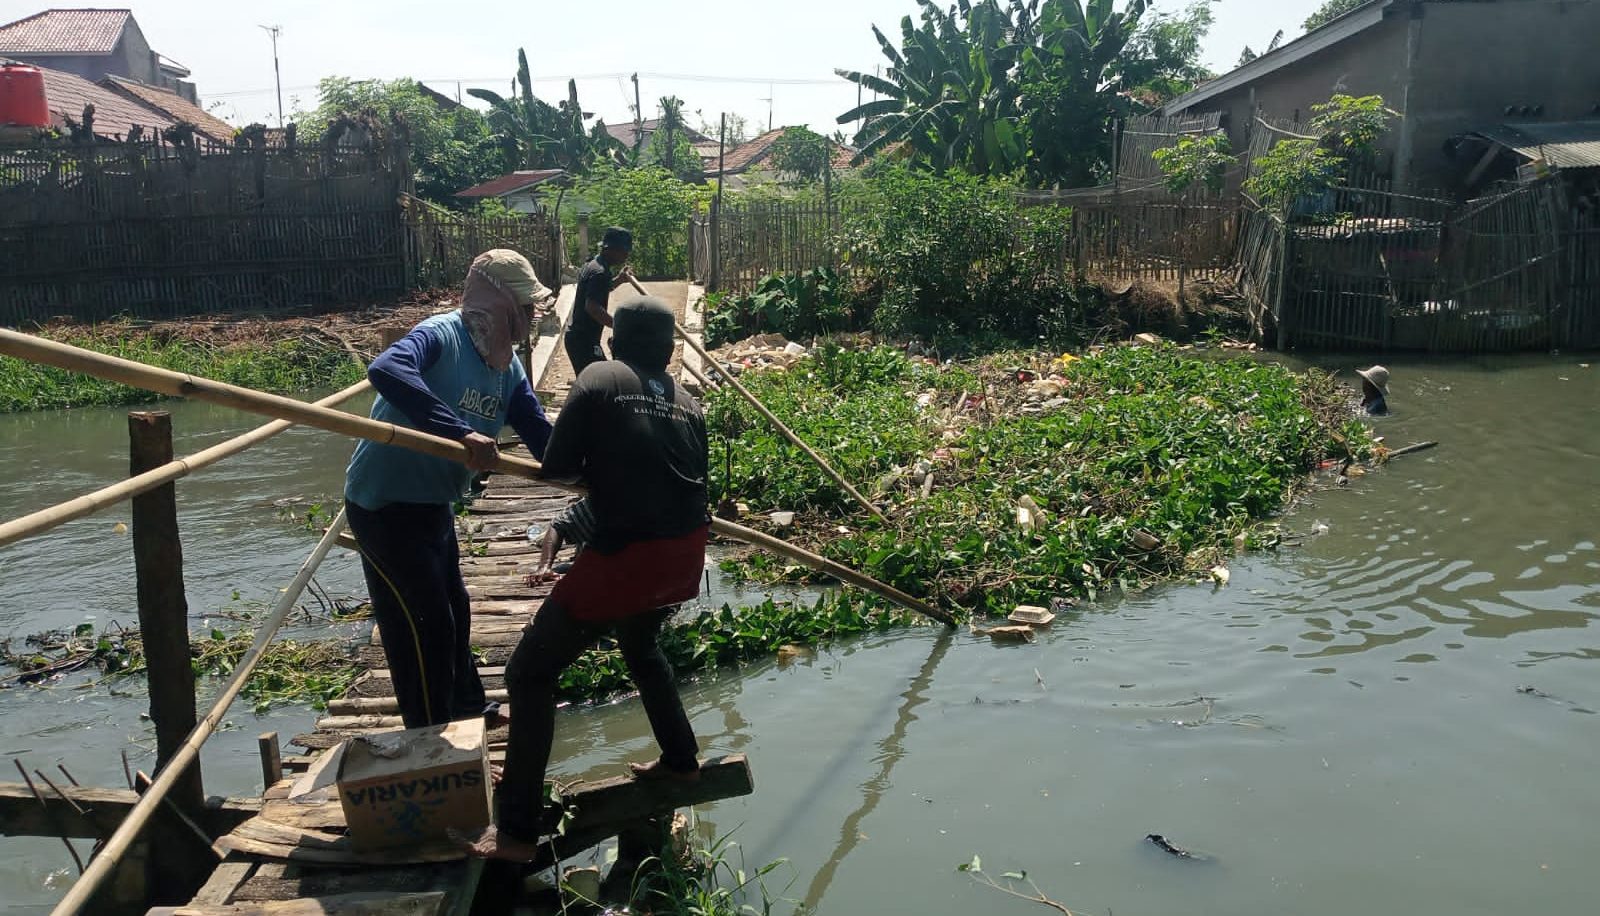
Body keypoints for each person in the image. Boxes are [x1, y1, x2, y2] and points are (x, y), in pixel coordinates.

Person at [461, 296, 711, 863]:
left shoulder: (598, 376)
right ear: (669, 352)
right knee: (642, 645)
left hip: (627, 556)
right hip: (685, 554)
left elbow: (556, 465)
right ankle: (681, 759)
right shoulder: (690, 403)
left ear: (614, 343)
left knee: (529, 674)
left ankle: (517, 833)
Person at [344, 249, 556, 730]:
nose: (528, 318)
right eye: (523, 308)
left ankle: (466, 709)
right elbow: (387, 370)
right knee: (424, 623)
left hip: (433, 501)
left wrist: (588, 472)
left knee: (455, 610)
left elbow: (538, 432)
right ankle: (431, 734)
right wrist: (458, 432)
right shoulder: (442, 335)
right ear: (497, 303)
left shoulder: (508, 367)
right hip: (383, 504)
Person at [564, 226, 637, 378]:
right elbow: (592, 307)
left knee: (596, 382)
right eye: (624, 251)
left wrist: (619, 280)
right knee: (599, 381)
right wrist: (618, 325)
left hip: (581, 338)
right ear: (612, 249)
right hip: (583, 341)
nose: (626, 256)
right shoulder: (599, 272)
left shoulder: (594, 265)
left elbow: (601, 290)